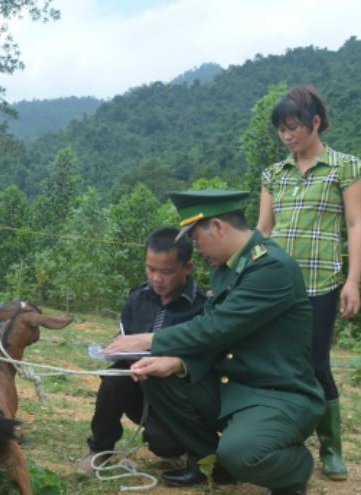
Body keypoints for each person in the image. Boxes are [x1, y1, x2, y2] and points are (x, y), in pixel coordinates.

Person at [105, 189, 325, 495]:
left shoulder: (271, 267)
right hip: (230, 384)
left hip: (275, 392)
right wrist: (178, 363)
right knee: (159, 376)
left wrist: (149, 339)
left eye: (196, 239)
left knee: (243, 454)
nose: (196, 248)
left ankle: (294, 469)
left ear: (219, 227)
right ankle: (207, 461)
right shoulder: (226, 268)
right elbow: (217, 335)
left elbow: (216, 327)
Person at [257, 85, 361, 481]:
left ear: (314, 122)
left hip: (321, 284)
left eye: (293, 127)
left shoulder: (345, 167)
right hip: (277, 287)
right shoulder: (274, 173)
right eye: (281, 130)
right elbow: (263, 230)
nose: (287, 136)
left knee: (315, 364)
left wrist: (352, 281)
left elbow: (355, 225)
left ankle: (332, 448)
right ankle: (286, 439)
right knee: (277, 363)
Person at [77, 227, 207, 475]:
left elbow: (201, 354)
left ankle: (176, 449)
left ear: (187, 268)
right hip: (136, 387)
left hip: (174, 397)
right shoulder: (137, 299)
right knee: (114, 379)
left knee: (163, 443)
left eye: (166, 272)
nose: (157, 278)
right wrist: (116, 349)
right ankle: (100, 449)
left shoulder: (201, 306)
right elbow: (124, 336)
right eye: (151, 269)